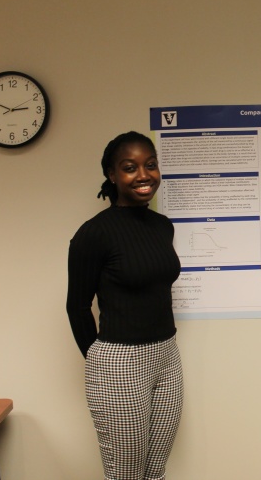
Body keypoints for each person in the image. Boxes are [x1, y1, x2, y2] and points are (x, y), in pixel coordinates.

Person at [66, 131, 183, 480]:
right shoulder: (94, 233)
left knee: (155, 469)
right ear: (112, 175)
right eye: (130, 167)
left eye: (151, 165)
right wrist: (103, 363)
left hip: (166, 353)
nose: (144, 175)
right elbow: (77, 307)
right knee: (126, 473)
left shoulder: (162, 227)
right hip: (120, 362)